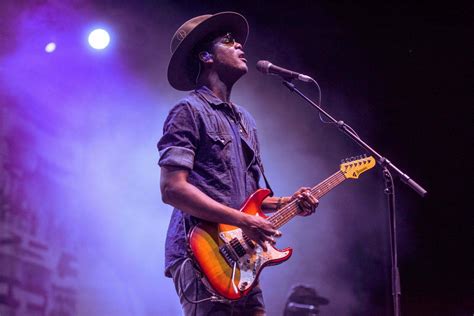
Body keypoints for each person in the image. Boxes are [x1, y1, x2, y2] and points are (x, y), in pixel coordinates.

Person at [158, 12, 319, 316]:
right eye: (229, 41)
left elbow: (251, 197)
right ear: (206, 56)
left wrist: (290, 201)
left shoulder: (246, 121)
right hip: (201, 255)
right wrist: (244, 221)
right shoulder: (188, 111)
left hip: (242, 258)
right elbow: (172, 189)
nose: (240, 45)